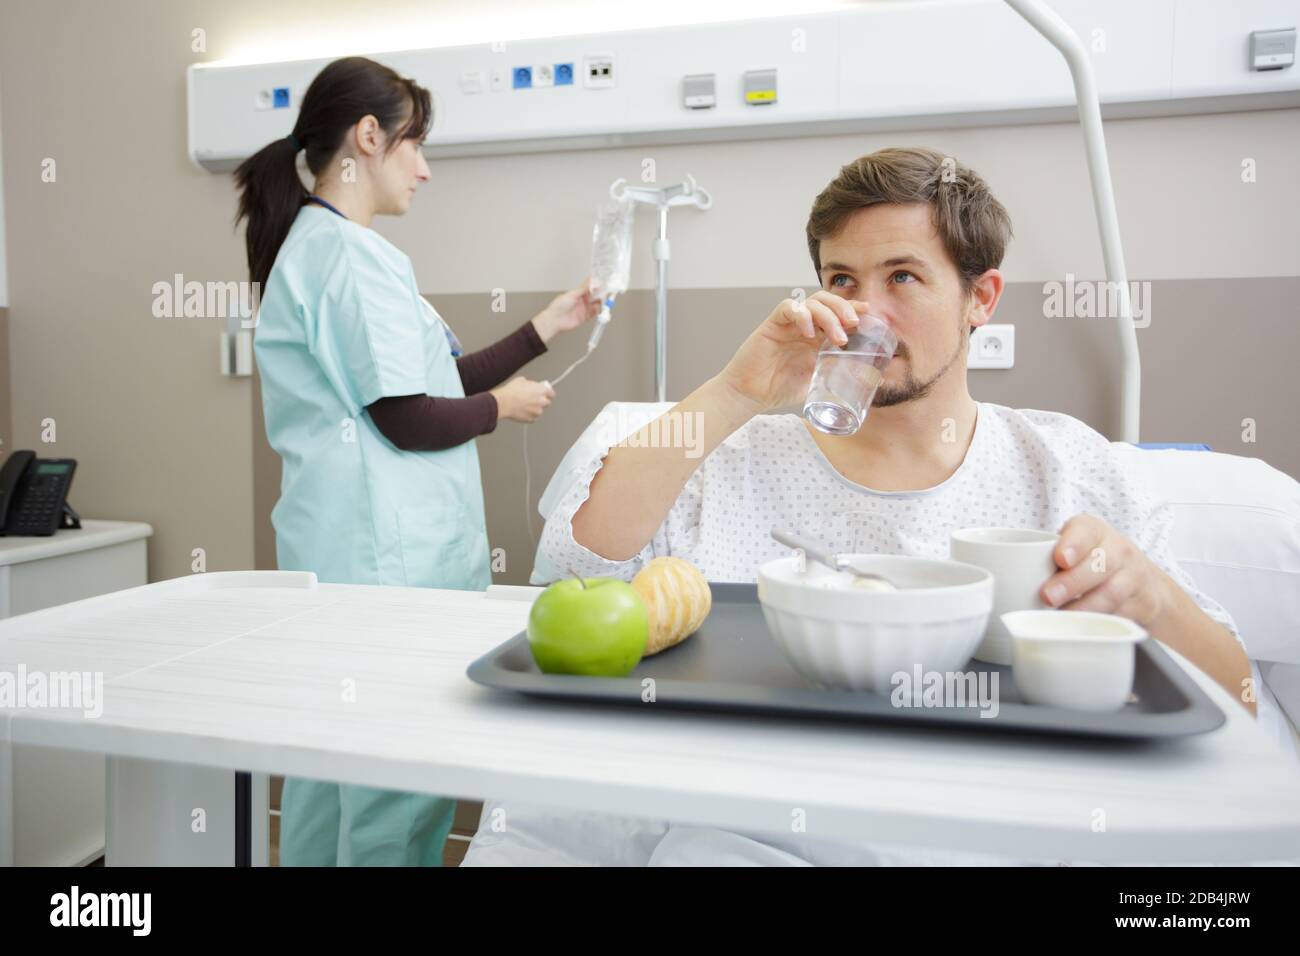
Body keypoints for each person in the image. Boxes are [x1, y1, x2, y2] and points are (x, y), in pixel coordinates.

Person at [463, 146, 1288, 866]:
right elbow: (577, 558)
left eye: (903, 277)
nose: (868, 314)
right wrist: (736, 392)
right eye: (842, 281)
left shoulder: (1068, 470)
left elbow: (1239, 699)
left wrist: (1151, 600)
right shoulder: (735, 457)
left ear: (981, 298)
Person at [234, 56, 596, 865]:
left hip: (345, 559)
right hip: (386, 566)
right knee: (395, 784)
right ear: (369, 137)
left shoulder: (320, 248)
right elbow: (406, 418)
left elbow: (432, 382)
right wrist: (503, 409)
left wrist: (546, 327)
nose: (425, 169)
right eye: (416, 145)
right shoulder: (350, 257)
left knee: (332, 771)